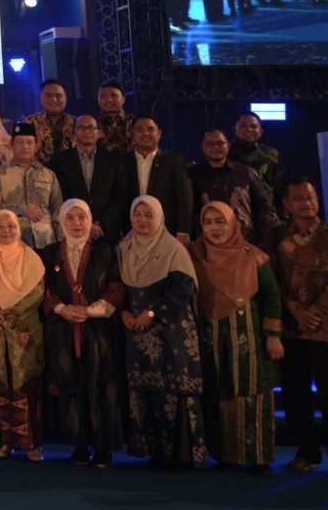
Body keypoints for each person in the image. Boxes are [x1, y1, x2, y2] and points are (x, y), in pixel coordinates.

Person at [190, 201, 283, 473]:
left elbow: (271, 296)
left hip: (249, 339)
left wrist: (273, 335)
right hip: (211, 339)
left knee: (252, 392)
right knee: (218, 393)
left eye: (220, 221)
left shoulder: (253, 256)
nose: (215, 228)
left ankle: (258, 457)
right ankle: (225, 455)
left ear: (232, 224)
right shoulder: (195, 255)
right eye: (208, 222)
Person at [117, 195, 207, 470]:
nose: (142, 220)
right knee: (148, 388)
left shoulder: (173, 249)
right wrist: (124, 313)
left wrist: (152, 313)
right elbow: (116, 287)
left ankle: (182, 455)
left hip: (172, 331)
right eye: (137, 214)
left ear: (159, 218)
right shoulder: (124, 248)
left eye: (149, 215)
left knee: (174, 388)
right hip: (137, 332)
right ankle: (157, 450)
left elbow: (182, 290)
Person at [40, 199, 125, 467]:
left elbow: (116, 287)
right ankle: (79, 444)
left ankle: (103, 447)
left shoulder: (106, 251)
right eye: (70, 218)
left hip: (100, 329)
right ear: (62, 222)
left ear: (90, 221)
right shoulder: (50, 253)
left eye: (82, 217)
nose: (77, 223)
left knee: (102, 384)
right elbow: (45, 290)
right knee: (73, 382)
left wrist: (91, 311)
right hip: (64, 328)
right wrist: (63, 309)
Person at [265, 177, 328, 474]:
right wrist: (295, 310)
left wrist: (315, 311)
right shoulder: (277, 237)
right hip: (291, 326)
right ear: (286, 204)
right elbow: (271, 279)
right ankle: (307, 453)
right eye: (298, 198)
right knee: (295, 393)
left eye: (310, 197)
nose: (306, 203)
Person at [0, 208, 45, 461]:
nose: (6, 231)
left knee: (29, 389)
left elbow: (38, 291)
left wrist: (12, 313)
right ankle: (6, 441)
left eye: (11, 226)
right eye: (0, 226)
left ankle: (33, 444)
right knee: (1, 387)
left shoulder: (30, 256)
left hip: (25, 332)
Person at [187, 128, 276, 242]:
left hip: (243, 240)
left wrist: (263, 239)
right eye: (210, 144)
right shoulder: (192, 175)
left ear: (228, 145)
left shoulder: (246, 173)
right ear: (202, 147)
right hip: (207, 240)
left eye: (220, 143)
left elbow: (263, 207)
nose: (216, 147)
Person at [51, 116, 129, 240]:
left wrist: (101, 223)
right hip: (72, 229)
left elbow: (120, 196)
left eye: (91, 128)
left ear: (99, 132)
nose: (87, 131)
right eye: (81, 127)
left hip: (105, 231)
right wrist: (82, 222)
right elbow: (60, 196)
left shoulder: (113, 160)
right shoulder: (60, 161)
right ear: (73, 132)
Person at [0, 122, 64, 248]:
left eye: (29, 142)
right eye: (20, 142)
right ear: (11, 144)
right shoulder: (0, 174)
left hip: (45, 241)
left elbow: (58, 212)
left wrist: (61, 245)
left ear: (36, 146)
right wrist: (22, 209)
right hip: (12, 240)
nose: (25, 146)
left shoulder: (49, 175)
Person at [126, 116, 194, 241]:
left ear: (159, 133)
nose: (145, 133)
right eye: (139, 129)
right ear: (132, 134)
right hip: (131, 232)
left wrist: (183, 231)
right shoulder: (122, 162)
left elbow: (185, 199)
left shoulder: (174, 161)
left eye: (150, 129)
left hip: (166, 231)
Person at [228, 112, 283, 204]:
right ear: (234, 129)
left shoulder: (272, 155)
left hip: (265, 206)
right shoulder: (224, 152)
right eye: (243, 126)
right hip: (231, 206)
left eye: (253, 126)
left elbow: (279, 186)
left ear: (261, 132)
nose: (249, 129)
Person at [23, 81, 75, 163]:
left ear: (66, 99)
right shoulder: (29, 122)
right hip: (39, 170)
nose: (54, 99)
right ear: (41, 98)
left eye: (58, 96)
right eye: (48, 96)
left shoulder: (76, 122)